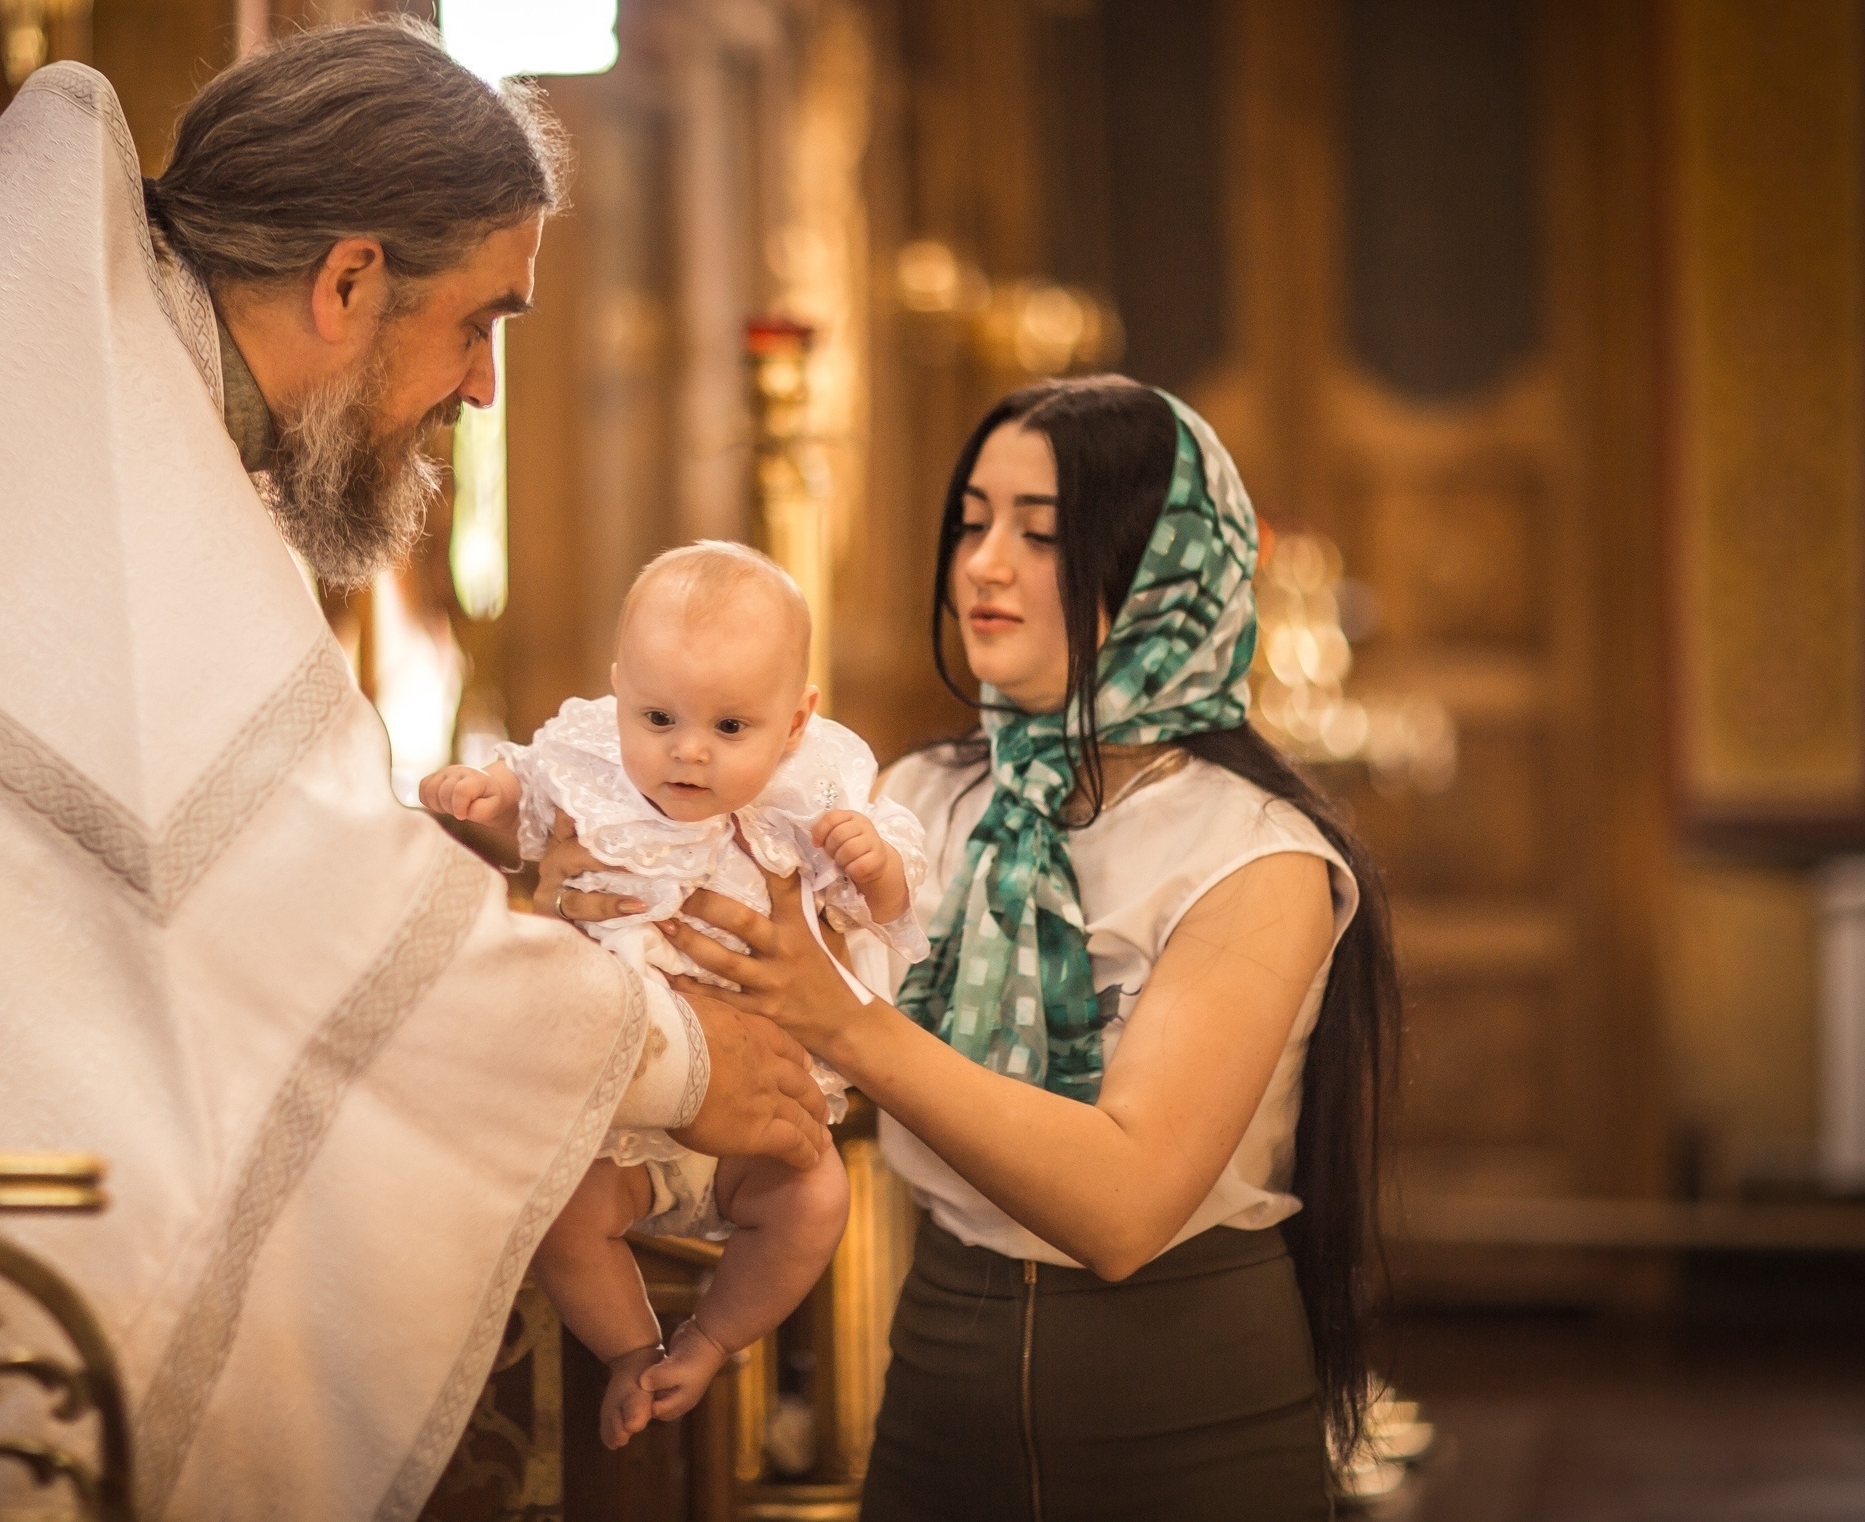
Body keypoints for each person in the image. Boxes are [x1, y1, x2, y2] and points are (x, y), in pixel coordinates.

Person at [0, 19, 829, 1521]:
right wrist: (665, 1048)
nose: (484, 386)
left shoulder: (88, 400)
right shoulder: (111, 462)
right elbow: (314, 910)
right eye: (479, 323)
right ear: (351, 279)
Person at [547, 378, 1398, 1521]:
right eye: (972, 521)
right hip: (942, 1374)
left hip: (1184, 1403)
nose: (982, 564)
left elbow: (1126, 1207)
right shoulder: (915, 801)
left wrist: (844, 1017)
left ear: (1160, 572)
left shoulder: (1255, 855)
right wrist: (601, 917)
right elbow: (776, 1071)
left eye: (1039, 534)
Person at [421, 540, 926, 1450]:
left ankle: (709, 1340)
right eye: (657, 716)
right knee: (561, 1210)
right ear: (619, 695)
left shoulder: (810, 804)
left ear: (797, 721)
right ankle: (632, 1351)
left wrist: (873, 865)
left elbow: (888, 909)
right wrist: (481, 793)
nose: (688, 751)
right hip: (618, 1115)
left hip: (759, 1114)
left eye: (731, 728)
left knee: (816, 1199)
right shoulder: (590, 772)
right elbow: (524, 796)